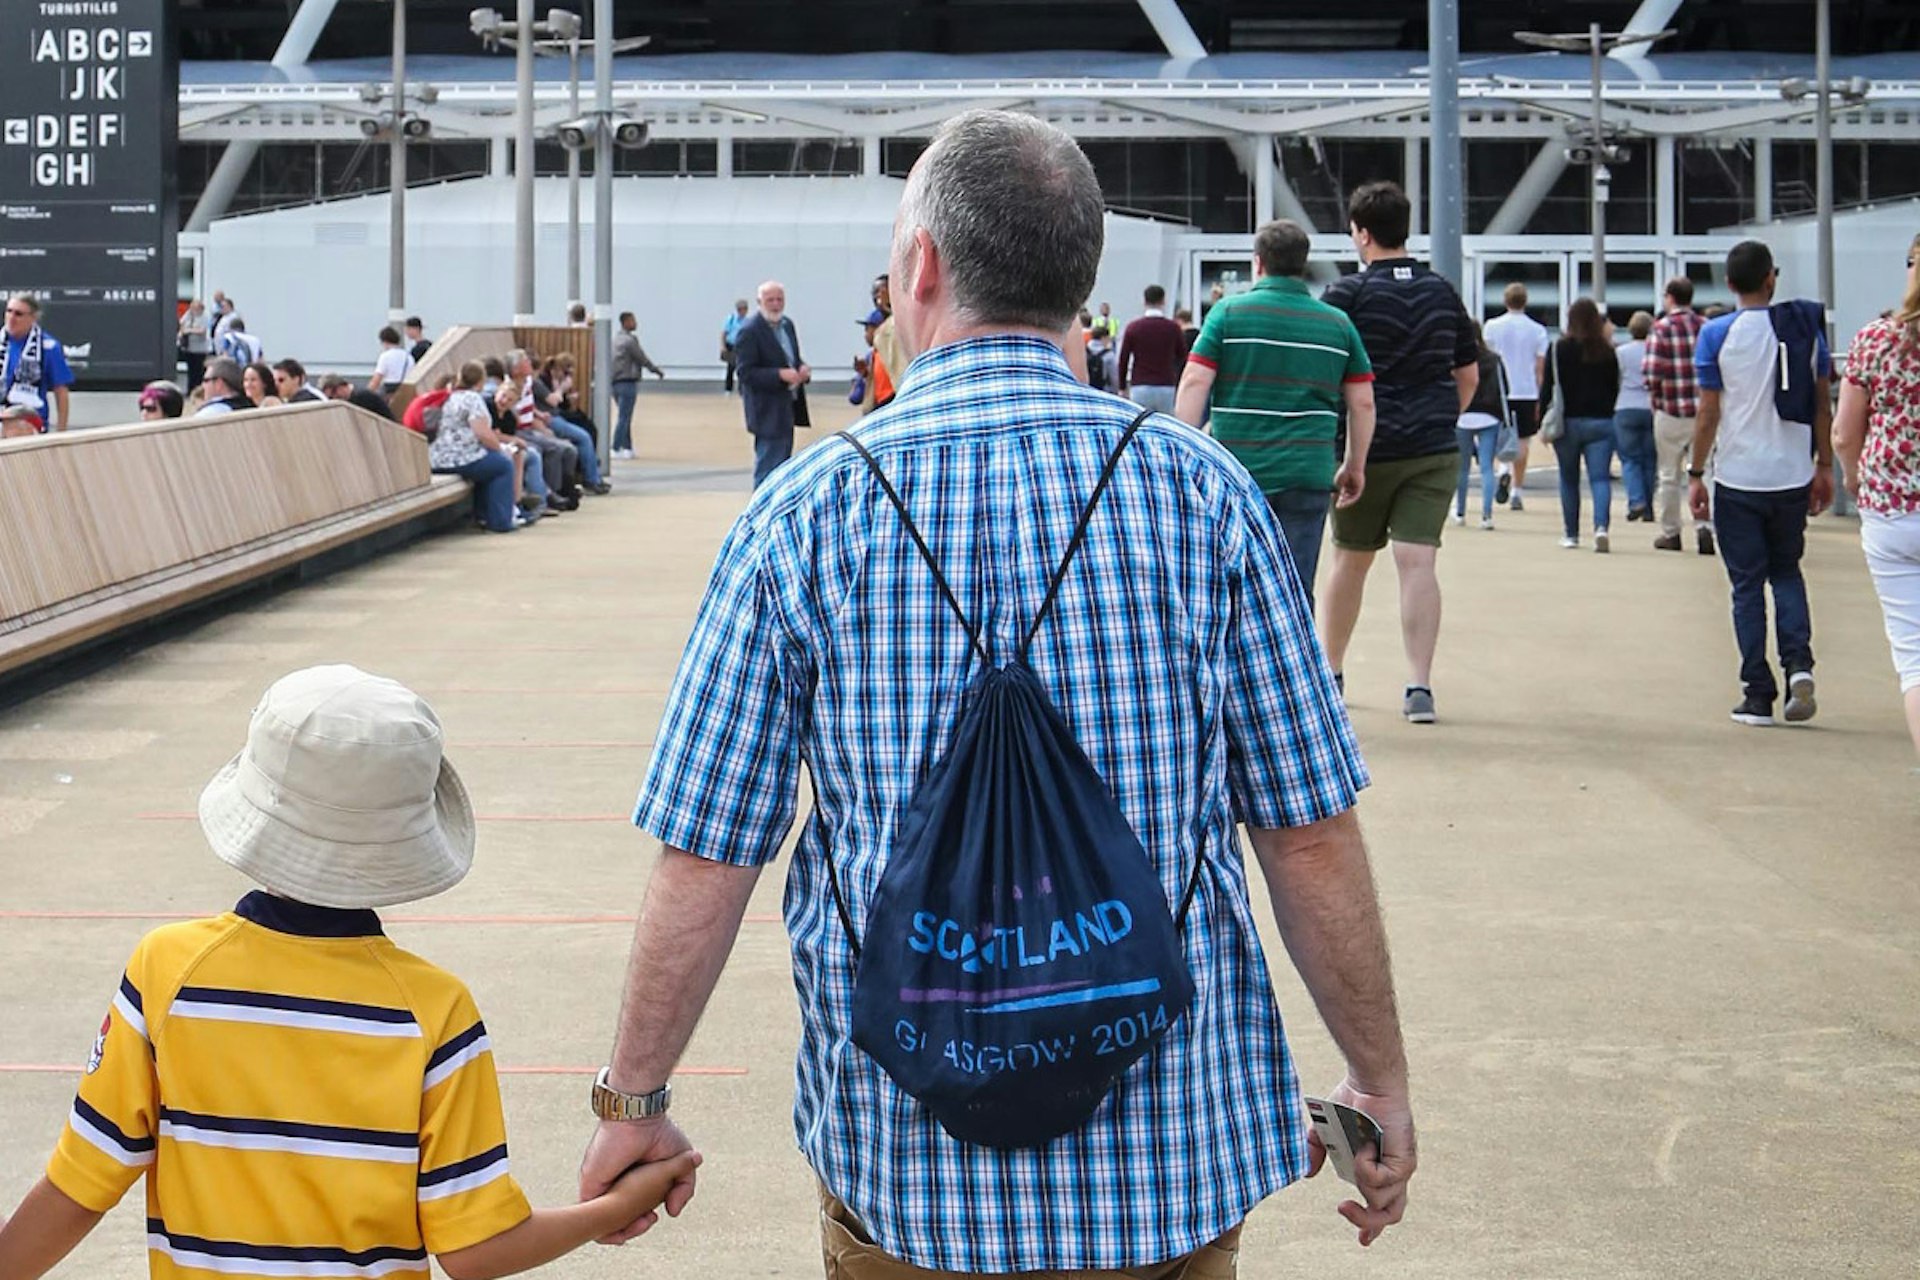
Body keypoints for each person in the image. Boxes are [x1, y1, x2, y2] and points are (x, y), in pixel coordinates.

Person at [581, 107, 1413, 1279]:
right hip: (1166, 1173)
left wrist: (634, 1097)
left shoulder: (808, 511)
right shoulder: (1202, 495)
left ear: (919, 263)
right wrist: (1376, 1079)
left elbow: (709, 852)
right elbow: (1309, 831)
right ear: (1082, 281)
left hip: (910, 1172)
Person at [0, 664, 695, 1280]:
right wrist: (615, 1205)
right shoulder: (434, 1011)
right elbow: (476, 1250)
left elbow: (80, 1185)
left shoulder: (168, 972)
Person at [1318, 181, 1478, 724]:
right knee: (1418, 563)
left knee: (1350, 561)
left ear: (1362, 233)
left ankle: (1331, 674)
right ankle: (1419, 687)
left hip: (1367, 450)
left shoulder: (1348, 296)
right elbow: (1468, 371)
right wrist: (1442, 415)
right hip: (1432, 446)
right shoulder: (1441, 290)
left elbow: (1328, 371)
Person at [1176, 217, 1375, 601]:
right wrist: (1354, 465)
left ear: (1258, 263)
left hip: (1235, 472)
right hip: (1308, 472)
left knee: (1227, 589)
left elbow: (1194, 382)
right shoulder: (1338, 324)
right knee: (1295, 592)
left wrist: (1183, 451)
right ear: (1303, 264)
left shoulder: (1227, 314)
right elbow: (1363, 402)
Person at [1689, 239, 1833, 727]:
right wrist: (1825, 465)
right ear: (1772, 277)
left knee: (1746, 586)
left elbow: (1709, 411)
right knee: (1787, 572)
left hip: (1738, 475)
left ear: (1729, 284)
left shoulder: (1715, 334)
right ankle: (1800, 666)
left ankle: (1757, 692)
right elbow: (1821, 403)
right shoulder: (1804, 332)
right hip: (1791, 472)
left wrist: (1695, 472)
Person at [1834, 233, 1920, 761]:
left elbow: (1846, 432)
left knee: (1914, 659)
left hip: (1890, 508)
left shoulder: (1874, 339)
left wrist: (1852, 477)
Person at [1539, 298, 1621, 552]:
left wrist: (1543, 416)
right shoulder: (1607, 351)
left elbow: (1549, 387)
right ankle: (1601, 528)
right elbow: (1613, 387)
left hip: (1568, 421)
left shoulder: (1559, 348)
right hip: (1601, 421)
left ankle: (1571, 534)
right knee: (1599, 479)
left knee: (1568, 478)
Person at [1644, 277, 1715, 554]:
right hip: (1703, 412)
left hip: (1670, 410)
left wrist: (1657, 394)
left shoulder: (1660, 329)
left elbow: (1651, 373)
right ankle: (1704, 526)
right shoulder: (1706, 328)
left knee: (1668, 474)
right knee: (1704, 470)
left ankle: (1671, 532)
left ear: (1670, 297)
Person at [731, 280, 811, 487]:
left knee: (783, 468)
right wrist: (778, 375)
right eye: (770, 300)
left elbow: (791, 358)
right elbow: (745, 373)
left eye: (779, 300)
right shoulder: (749, 331)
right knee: (767, 468)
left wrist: (801, 368)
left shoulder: (787, 325)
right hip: (766, 410)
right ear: (759, 302)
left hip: (788, 407)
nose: (776, 304)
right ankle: (761, 513)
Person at [432, 359, 525, 533]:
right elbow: (482, 433)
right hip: (461, 458)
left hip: (438, 457)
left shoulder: (451, 396)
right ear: (481, 381)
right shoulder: (473, 399)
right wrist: (500, 449)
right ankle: (500, 521)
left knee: (489, 465)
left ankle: (482, 515)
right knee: (503, 465)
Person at [1481, 283, 1549, 509]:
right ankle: (1517, 491)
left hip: (1499, 389)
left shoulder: (1492, 326)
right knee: (1522, 441)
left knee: (1499, 435)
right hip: (1526, 390)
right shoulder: (1537, 330)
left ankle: (1502, 469)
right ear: (1525, 301)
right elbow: (1540, 368)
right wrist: (1541, 395)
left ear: (1505, 301)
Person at [1454, 322, 1507, 531]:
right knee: (1487, 467)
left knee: (1463, 468)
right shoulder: (1493, 359)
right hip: (1490, 415)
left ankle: (1460, 512)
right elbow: (1504, 388)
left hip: (1463, 415)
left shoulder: (1457, 358)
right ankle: (1486, 515)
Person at [4, 295, 74, 433]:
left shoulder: (48, 347)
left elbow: (61, 392)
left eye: (18, 314)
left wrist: (61, 433)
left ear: (33, 318)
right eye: (9, 311)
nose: (11, 318)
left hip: (31, 426)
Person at [1115, 285, 1185, 414]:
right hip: (1166, 384)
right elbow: (1182, 356)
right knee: (1166, 427)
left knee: (1140, 426)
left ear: (1144, 301)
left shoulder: (1133, 328)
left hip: (1140, 385)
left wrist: (1122, 387)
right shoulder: (1173, 328)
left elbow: (1123, 359)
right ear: (1163, 301)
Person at [1614, 311, 1657, 523]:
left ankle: (1636, 500)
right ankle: (1649, 507)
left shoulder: (1621, 352)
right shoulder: (1654, 350)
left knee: (1630, 459)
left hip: (1625, 406)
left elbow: (1615, 379)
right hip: (1651, 407)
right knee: (1650, 460)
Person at [611, 311, 666, 459]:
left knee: (624, 415)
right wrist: (656, 371)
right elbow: (642, 358)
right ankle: (615, 447)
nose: (636, 323)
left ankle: (627, 447)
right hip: (627, 381)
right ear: (626, 322)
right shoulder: (630, 341)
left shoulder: (616, 339)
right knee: (625, 417)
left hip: (615, 383)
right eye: (633, 320)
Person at [320, 371, 399, 421]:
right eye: (330, 398)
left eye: (334, 392)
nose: (334, 398)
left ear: (341, 385)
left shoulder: (363, 397)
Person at [369, 325, 416, 396]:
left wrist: (367, 393)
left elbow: (377, 380)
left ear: (385, 341)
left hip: (389, 391)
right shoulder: (408, 357)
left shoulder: (385, 356)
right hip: (406, 392)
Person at [177, 301, 211, 390]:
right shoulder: (189, 315)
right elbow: (182, 323)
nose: (193, 310)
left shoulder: (204, 318)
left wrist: (189, 331)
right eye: (192, 308)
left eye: (195, 308)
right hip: (189, 348)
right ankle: (190, 389)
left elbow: (202, 331)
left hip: (200, 349)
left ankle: (198, 390)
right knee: (191, 371)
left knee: (198, 371)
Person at [721, 299, 750, 393]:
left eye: (744, 309)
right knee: (730, 368)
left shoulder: (748, 321)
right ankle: (728, 389)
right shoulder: (732, 319)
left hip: (742, 346)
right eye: (740, 309)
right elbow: (724, 333)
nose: (743, 311)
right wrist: (723, 346)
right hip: (731, 345)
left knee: (742, 368)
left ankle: (741, 389)